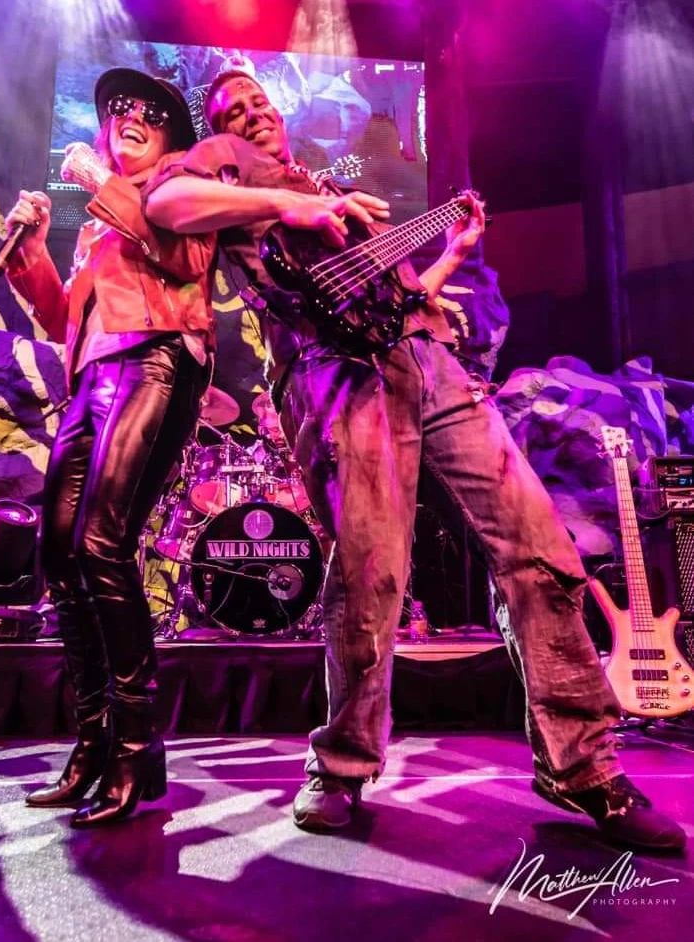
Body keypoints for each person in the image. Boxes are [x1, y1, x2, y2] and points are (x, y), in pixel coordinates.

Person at [143, 70, 685, 851]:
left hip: (428, 363)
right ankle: (341, 763)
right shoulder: (228, 169)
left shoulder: (332, 192)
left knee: (540, 549)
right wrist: (285, 207)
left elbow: (399, 304)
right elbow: (165, 204)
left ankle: (586, 766)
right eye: (233, 109)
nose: (252, 112)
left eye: (260, 102)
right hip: (334, 372)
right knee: (370, 570)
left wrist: (453, 256)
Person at [4, 68, 216, 828]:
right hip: (92, 373)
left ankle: (135, 746)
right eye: (120, 107)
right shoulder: (99, 224)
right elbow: (66, 316)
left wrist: (100, 180)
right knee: (60, 551)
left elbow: (189, 264)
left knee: (101, 540)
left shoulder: (179, 186)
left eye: (151, 111)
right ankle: (91, 742)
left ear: (170, 135)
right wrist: (34, 250)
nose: (131, 115)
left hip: (155, 358)